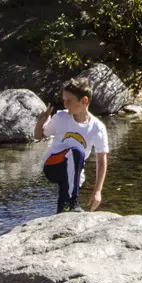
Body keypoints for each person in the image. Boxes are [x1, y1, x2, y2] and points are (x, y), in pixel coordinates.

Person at [33, 76, 107, 213]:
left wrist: (97, 191)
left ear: (84, 101)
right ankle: (74, 203)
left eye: (69, 101)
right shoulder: (60, 117)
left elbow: (101, 161)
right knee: (77, 151)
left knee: (63, 209)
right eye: (64, 100)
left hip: (75, 175)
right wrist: (40, 123)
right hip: (53, 165)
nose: (65, 105)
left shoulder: (98, 127)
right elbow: (38, 136)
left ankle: (64, 210)